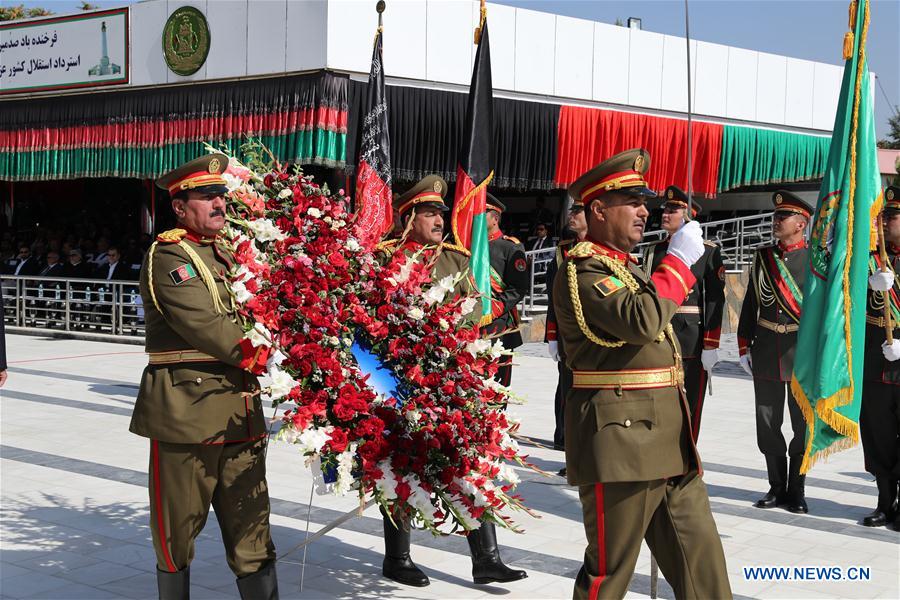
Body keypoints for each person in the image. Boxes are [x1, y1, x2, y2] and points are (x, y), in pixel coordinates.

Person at [553, 148, 731, 600]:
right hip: (620, 443)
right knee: (610, 574)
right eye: (632, 201)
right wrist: (677, 262)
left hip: (668, 439)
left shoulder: (625, 268)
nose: (643, 210)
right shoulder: (583, 268)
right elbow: (641, 320)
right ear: (598, 209)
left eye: (644, 201)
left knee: (702, 567)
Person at [129, 154, 279, 600]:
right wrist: (274, 355)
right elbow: (207, 327)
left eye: (221, 195)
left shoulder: (232, 255)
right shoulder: (169, 255)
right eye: (206, 196)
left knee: (253, 527)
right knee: (178, 531)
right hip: (187, 415)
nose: (219, 203)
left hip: (239, 414)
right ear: (180, 207)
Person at [375, 175, 527, 588]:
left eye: (441, 213)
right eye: (429, 213)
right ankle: (398, 557)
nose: (439, 220)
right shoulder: (386, 258)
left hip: (451, 378)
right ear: (408, 218)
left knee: (469, 461)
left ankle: (487, 558)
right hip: (400, 381)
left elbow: (474, 310)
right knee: (399, 465)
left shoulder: (458, 260)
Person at [738, 190, 812, 514]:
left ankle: (797, 489)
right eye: (775, 216)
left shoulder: (815, 261)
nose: (776, 221)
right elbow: (751, 303)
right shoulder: (762, 257)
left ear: (801, 224)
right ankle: (776, 486)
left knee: (802, 426)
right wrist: (743, 344)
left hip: (801, 352)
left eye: (783, 217)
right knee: (767, 423)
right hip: (767, 348)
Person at [642, 186, 725, 441]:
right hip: (659, 337)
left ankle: (687, 464)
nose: (665, 213)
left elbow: (714, 299)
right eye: (665, 209)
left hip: (690, 339)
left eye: (673, 209)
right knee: (657, 403)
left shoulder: (707, 251)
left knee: (690, 406)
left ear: (689, 215)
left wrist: (710, 345)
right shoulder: (653, 250)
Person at [861, 185, 900, 530]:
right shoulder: (871, 260)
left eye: (893, 217)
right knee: (879, 436)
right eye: (884, 216)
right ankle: (885, 504)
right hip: (875, 365)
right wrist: (866, 283)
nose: (885, 222)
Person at [545, 203, 587, 469]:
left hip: (597, 337)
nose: (571, 216)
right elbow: (553, 297)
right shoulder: (563, 252)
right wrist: (552, 336)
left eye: (577, 212)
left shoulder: (607, 249)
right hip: (570, 336)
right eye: (571, 212)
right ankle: (570, 451)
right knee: (569, 392)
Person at [483, 195, 529, 387]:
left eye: (483, 214)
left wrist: (495, 306)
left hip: (499, 322)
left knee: (497, 384)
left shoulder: (510, 247)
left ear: (495, 218)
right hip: (473, 320)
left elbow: (518, 288)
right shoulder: (467, 246)